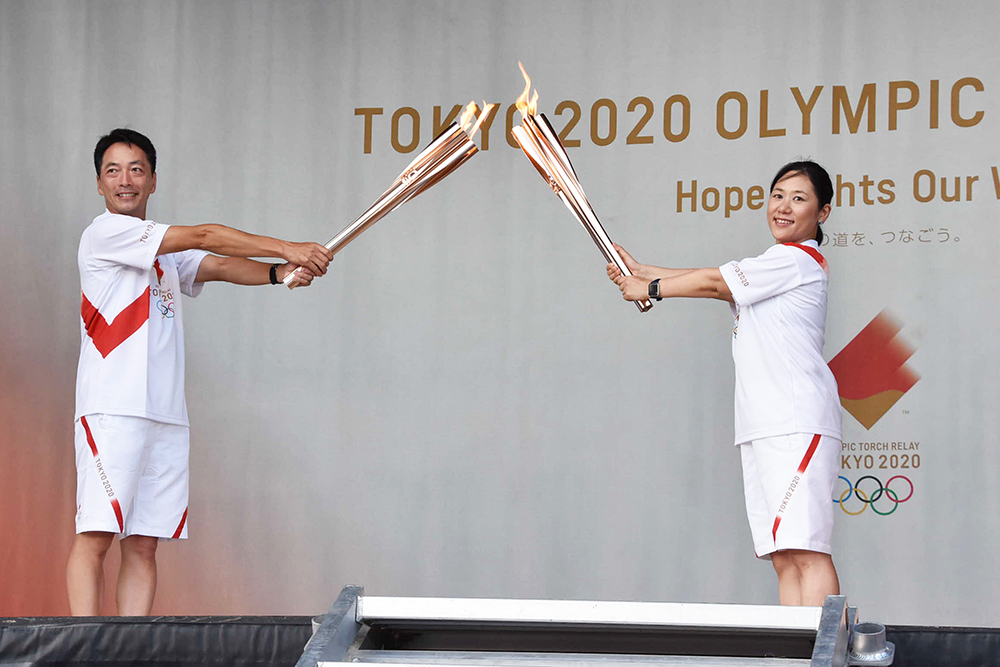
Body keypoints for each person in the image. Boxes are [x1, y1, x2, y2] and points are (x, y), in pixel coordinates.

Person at [66, 128, 334, 616]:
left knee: (144, 545)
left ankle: (128, 652)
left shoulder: (165, 254)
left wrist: (280, 273)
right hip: (113, 411)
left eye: (136, 170)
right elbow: (207, 234)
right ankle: (83, 651)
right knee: (97, 537)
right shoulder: (105, 234)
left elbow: (222, 265)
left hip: (165, 416)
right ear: (99, 184)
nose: (125, 180)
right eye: (113, 171)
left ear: (152, 181)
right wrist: (288, 247)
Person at [608, 160, 842, 606]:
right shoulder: (771, 269)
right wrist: (641, 270)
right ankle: (799, 653)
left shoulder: (795, 260)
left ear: (823, 213)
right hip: (763, 424)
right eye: (777, 195)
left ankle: (823, 653)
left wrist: (651, 288)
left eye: (799, 198)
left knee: (808, 550)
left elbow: (716, 283)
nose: (784, 207)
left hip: (795, 421)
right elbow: (718, 280)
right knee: (784, 554)